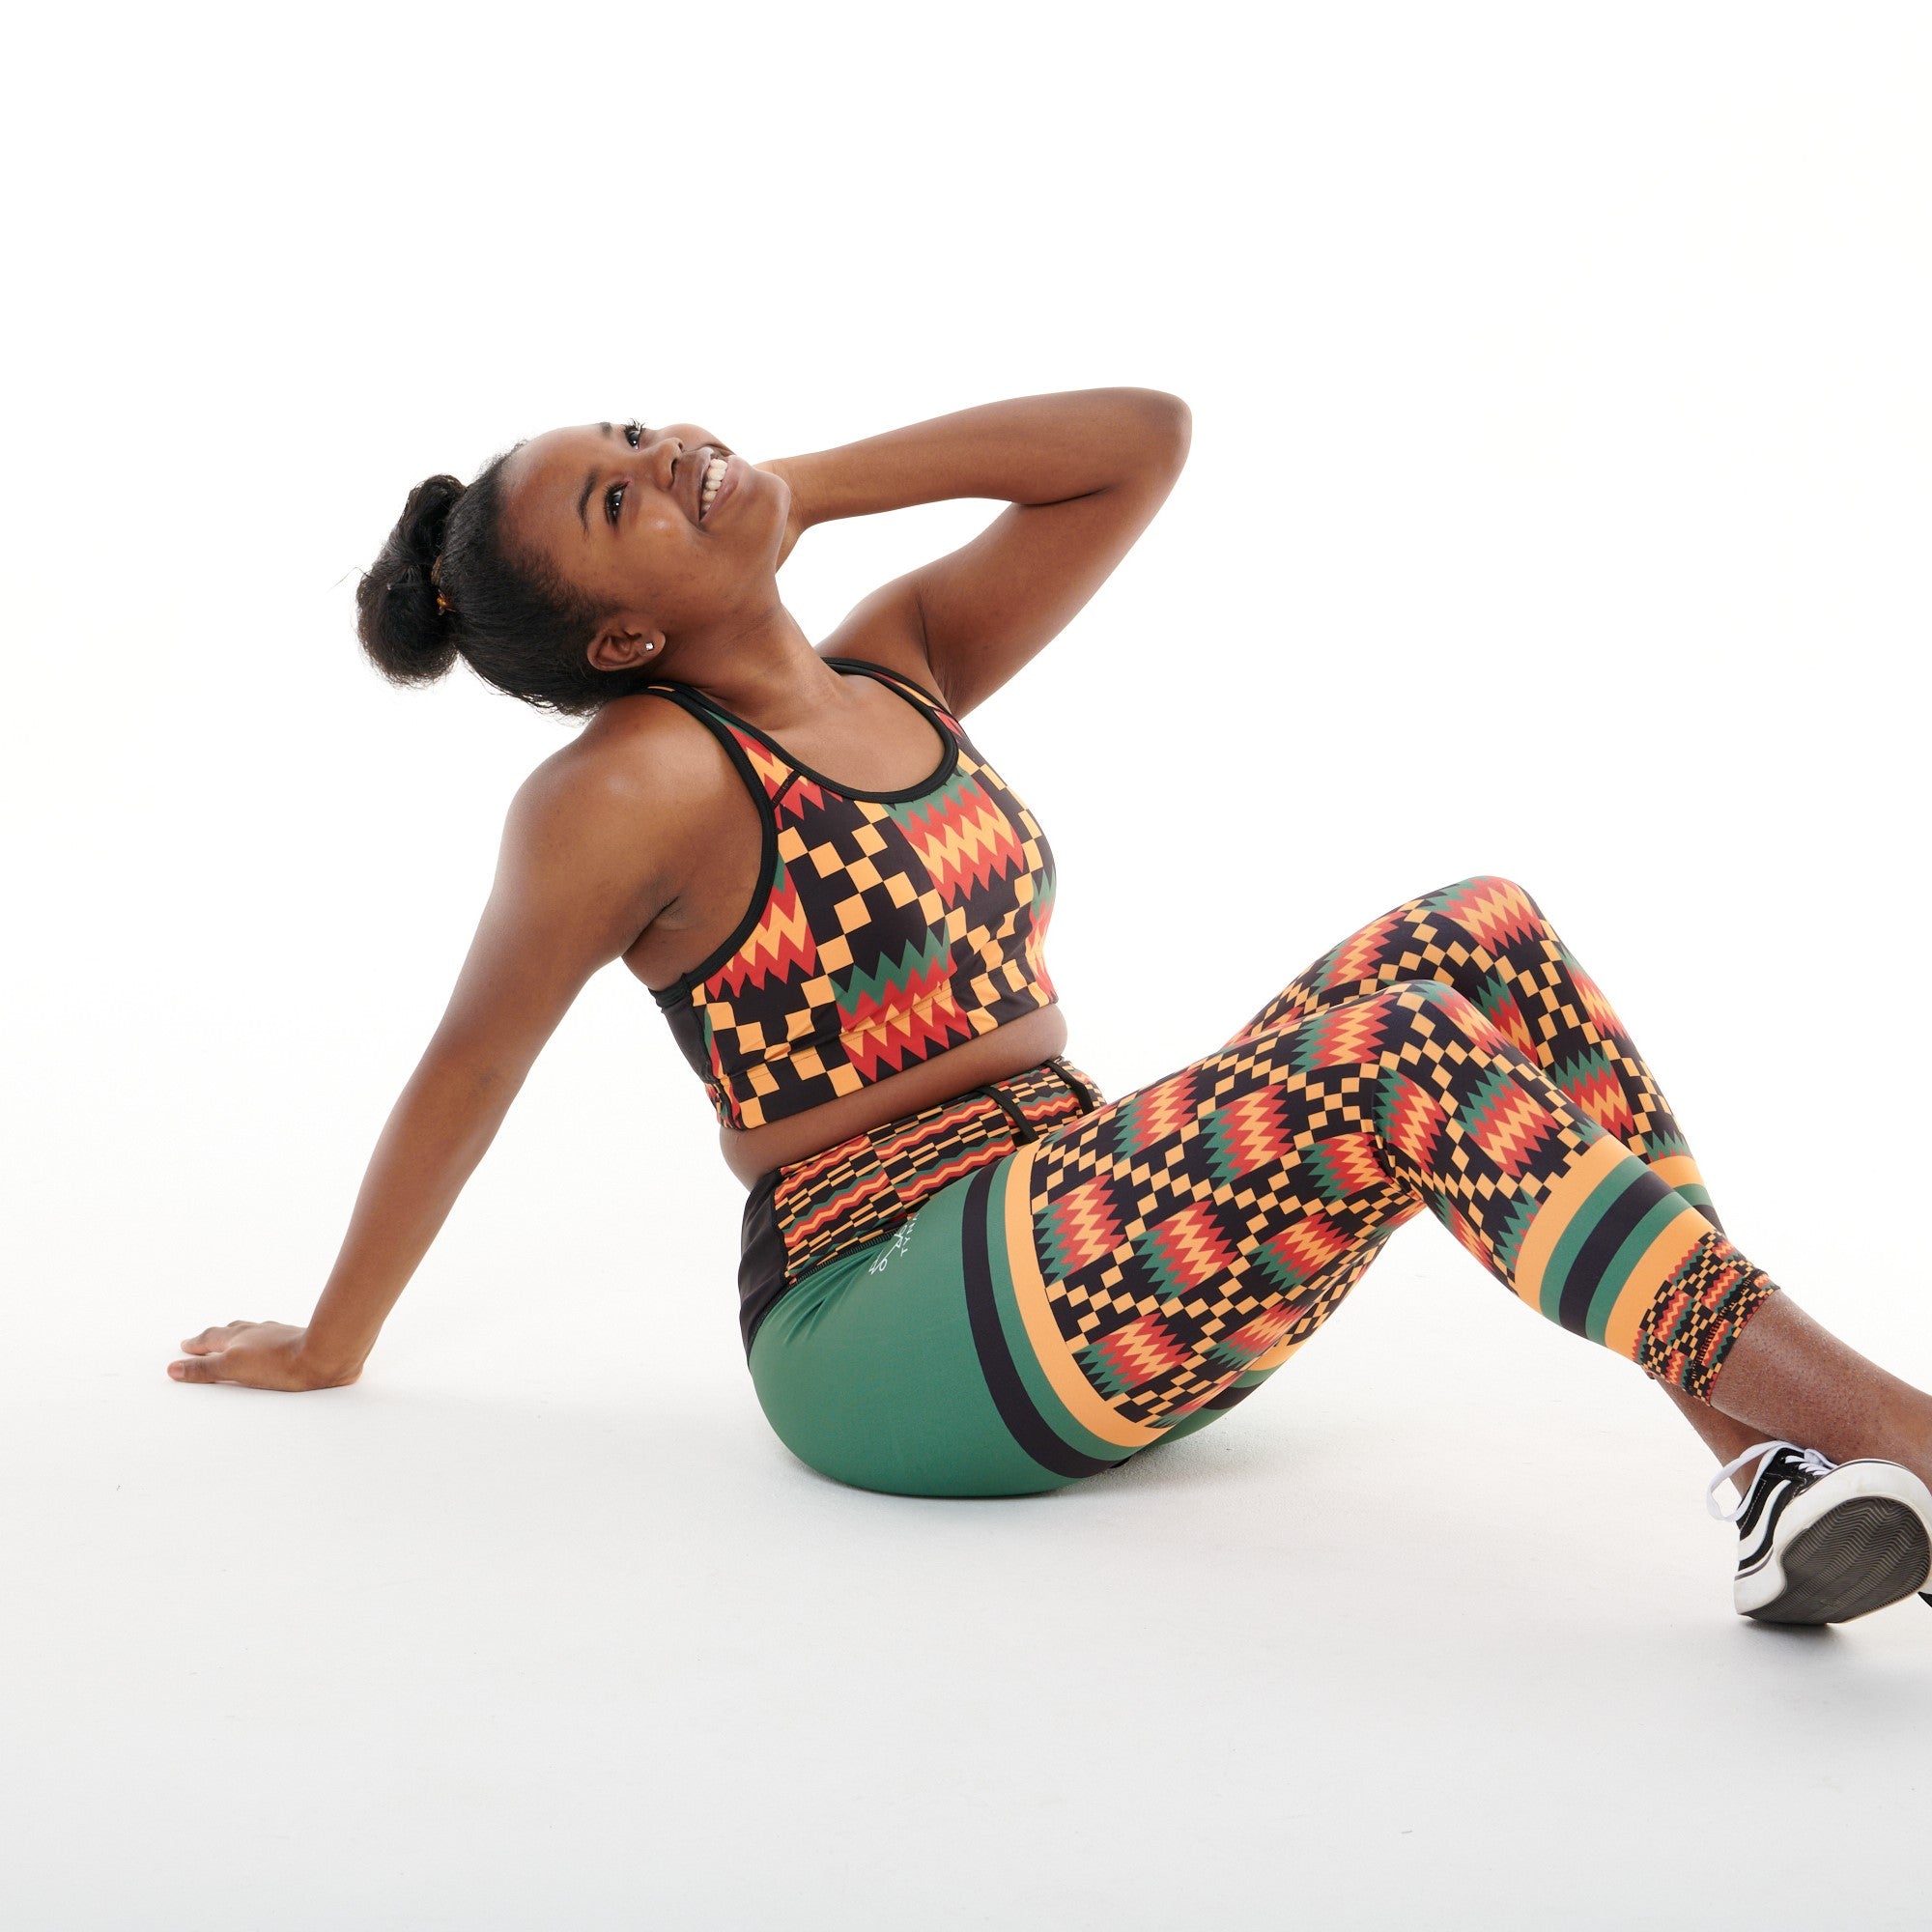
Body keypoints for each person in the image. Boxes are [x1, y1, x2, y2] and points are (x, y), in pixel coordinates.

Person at [170, 388, 1932, 1627]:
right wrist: (332, 1342)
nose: (661, 456)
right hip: (885, 1314)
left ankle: (1773, 1479)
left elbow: (1134, 442)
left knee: (1480, 933)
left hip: (1079, 1231)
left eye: (637, 432)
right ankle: (1901, 1435)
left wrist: (789, 485)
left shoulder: (897, 663)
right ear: (619, 644)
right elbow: (471, 1066)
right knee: (1395, 1056)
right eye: (618, 503)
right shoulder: (630, 783)